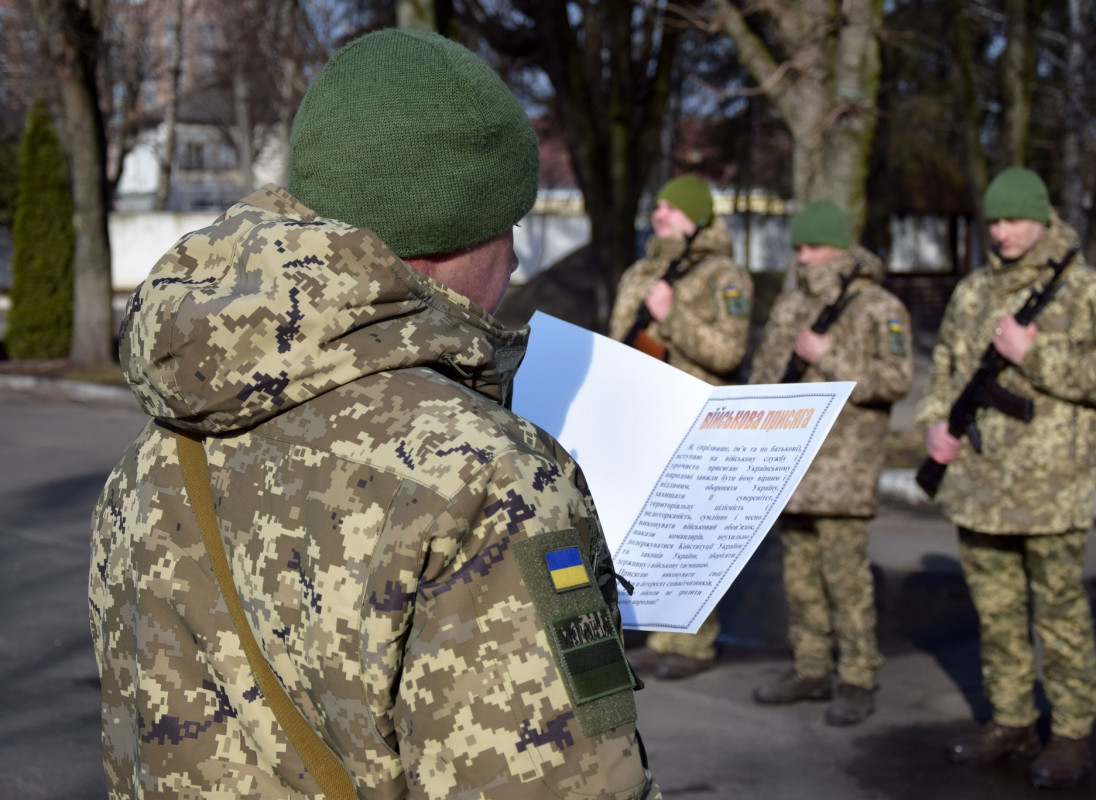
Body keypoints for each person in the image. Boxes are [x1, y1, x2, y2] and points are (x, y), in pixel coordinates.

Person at [89, 29, 660, 800]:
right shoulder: (487, 481)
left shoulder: (155, 451)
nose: (518, 260)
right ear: (446, 232)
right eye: (508, 226)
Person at [915, 167, 1096, 789]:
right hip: (979, 486)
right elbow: (946, 370)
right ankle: (1011, 720)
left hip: (1051, 488)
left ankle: (1070, 735)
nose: (1004, 232)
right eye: (996, 220)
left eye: (1015, 219)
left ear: (1043, 219)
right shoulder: (974, 291)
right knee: (996, 610)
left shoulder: (1093, 291)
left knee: (1060, 614)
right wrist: (935, 424)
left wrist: (1030, 354)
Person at [747, 200, 913, 725]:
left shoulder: (878, 307)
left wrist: (828, 356)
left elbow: (895, 380)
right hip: (790, 464)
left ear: (842, 248)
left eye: (815, 247)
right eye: (798, 248)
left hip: (843, 466)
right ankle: (811, 667)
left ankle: (859, 676)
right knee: (798, 575)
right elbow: (765, 378)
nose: (805, 258)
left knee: (845, 580)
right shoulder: (792, 306)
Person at [609, 173, 753, 679]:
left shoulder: (723, 277)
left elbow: (730, 352)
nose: (660, 214)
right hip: (646, 415)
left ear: (698, 218)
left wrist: (671, 317)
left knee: (693, 532)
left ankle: (693, 643)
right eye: (659, 205)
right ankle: (661, 634)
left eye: (672, 208)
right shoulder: (641, 272)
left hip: (698, 421)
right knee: (651, 530)